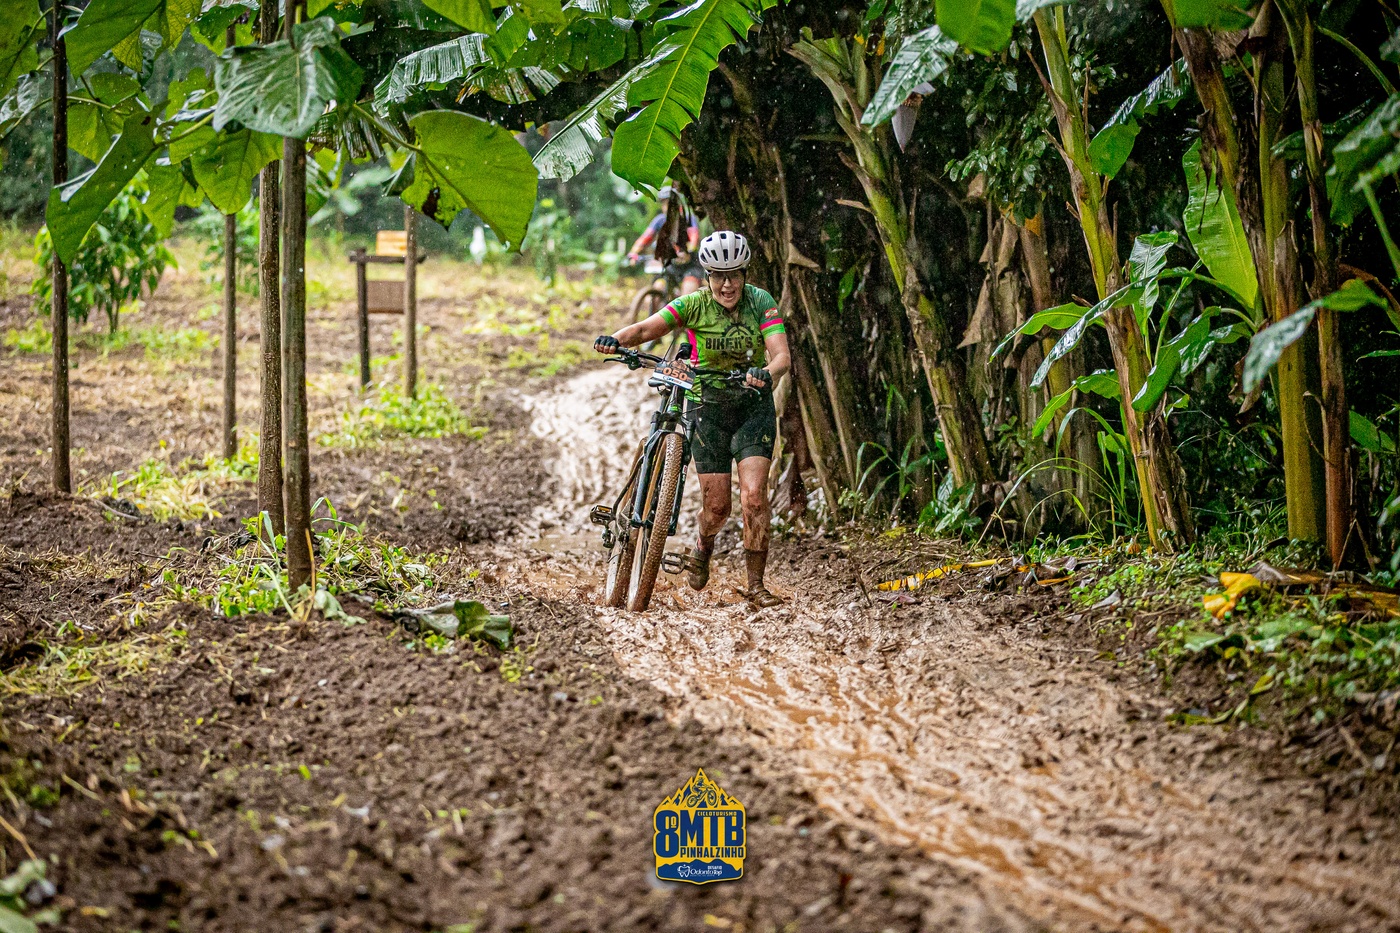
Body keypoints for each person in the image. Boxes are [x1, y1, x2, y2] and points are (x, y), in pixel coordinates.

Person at [595, 231, 790, 608]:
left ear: (745, 274)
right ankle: (703, 544)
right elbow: (646, 329)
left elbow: (781, 355)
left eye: (734, 275)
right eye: (719, 276)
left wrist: (767, 372)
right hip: (707, 410)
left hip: (752, 408)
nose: (727, 285)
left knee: (753, 497)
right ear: (707, 276)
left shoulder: (761, 301)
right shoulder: (694, 304)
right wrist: (614, 339)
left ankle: (756, 585)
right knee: (717, 509)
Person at [627, 185, 703, 296]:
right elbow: (645, 238)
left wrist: (686, 251)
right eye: (664, 203)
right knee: (656, 290)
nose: (667, 207)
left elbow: (694, 239)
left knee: (687, 293)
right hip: (669, 265)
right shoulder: (659, 220)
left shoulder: (688, 219)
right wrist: (633, 253)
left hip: (690, 266)